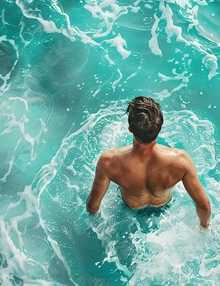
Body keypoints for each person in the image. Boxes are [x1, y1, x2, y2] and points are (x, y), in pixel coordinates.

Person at [86, 96, 211, 228]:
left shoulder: (108, 162)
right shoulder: (181, 161)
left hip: (129, 209)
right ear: (159, 128)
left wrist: (97, 226)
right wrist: (204, 227)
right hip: (164, 207)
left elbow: (93, 206)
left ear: (130, 129)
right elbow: (204, 206)